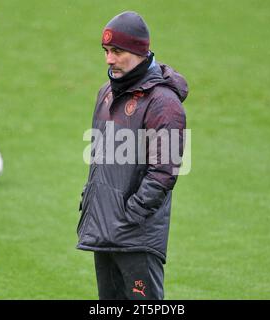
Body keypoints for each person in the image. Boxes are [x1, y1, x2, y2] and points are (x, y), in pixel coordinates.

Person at [77, 11, 188, 300]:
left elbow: (163, 173)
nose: (109, 59)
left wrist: (130, 214)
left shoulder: (164, 102)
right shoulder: (106, 94)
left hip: (136, 236)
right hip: (105, 230)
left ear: (139, 51)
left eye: (117, 51)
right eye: (105, 51)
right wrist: (92, 199)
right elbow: (100, 158)